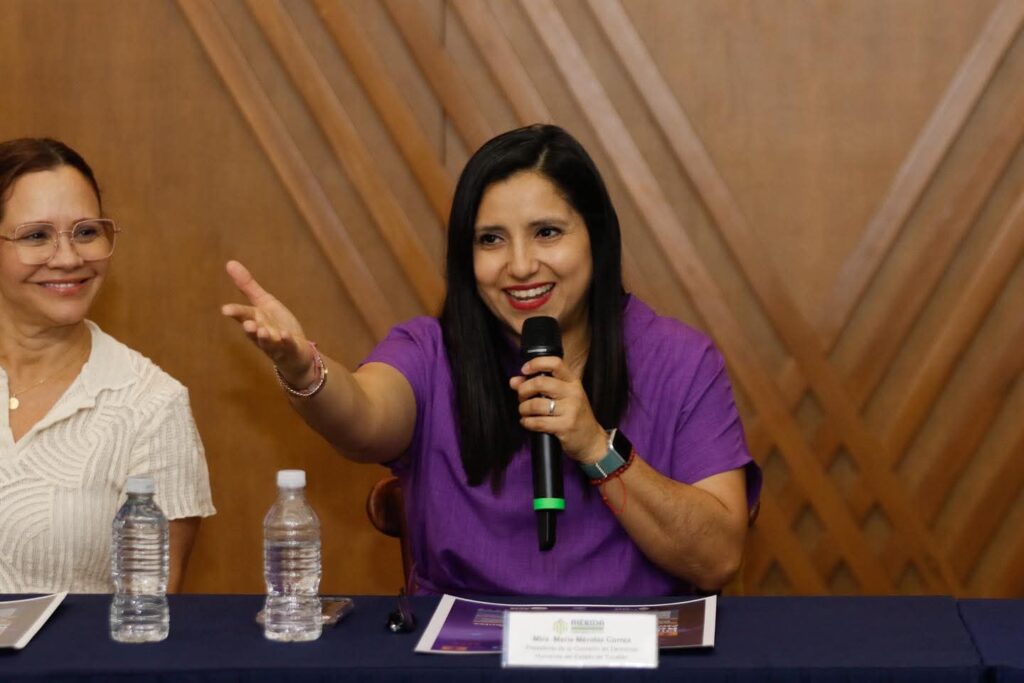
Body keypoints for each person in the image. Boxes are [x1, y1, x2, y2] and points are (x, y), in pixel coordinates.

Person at [223, 124, 760, 596]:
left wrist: (596, 448)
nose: (520, 266)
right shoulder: (432, 352)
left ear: (597, 238)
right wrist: (304, 370)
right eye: (491, 240)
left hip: (629, 654)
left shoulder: (680, 360)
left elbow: (716, 559)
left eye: (547, 233)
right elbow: (364, 416)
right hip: (465, 654)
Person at [0, 137, 215, 593]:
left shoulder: (151, 406)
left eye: (86, 232)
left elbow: (148, 606)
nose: (68, 258)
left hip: (80, 644)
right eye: (36, 236)